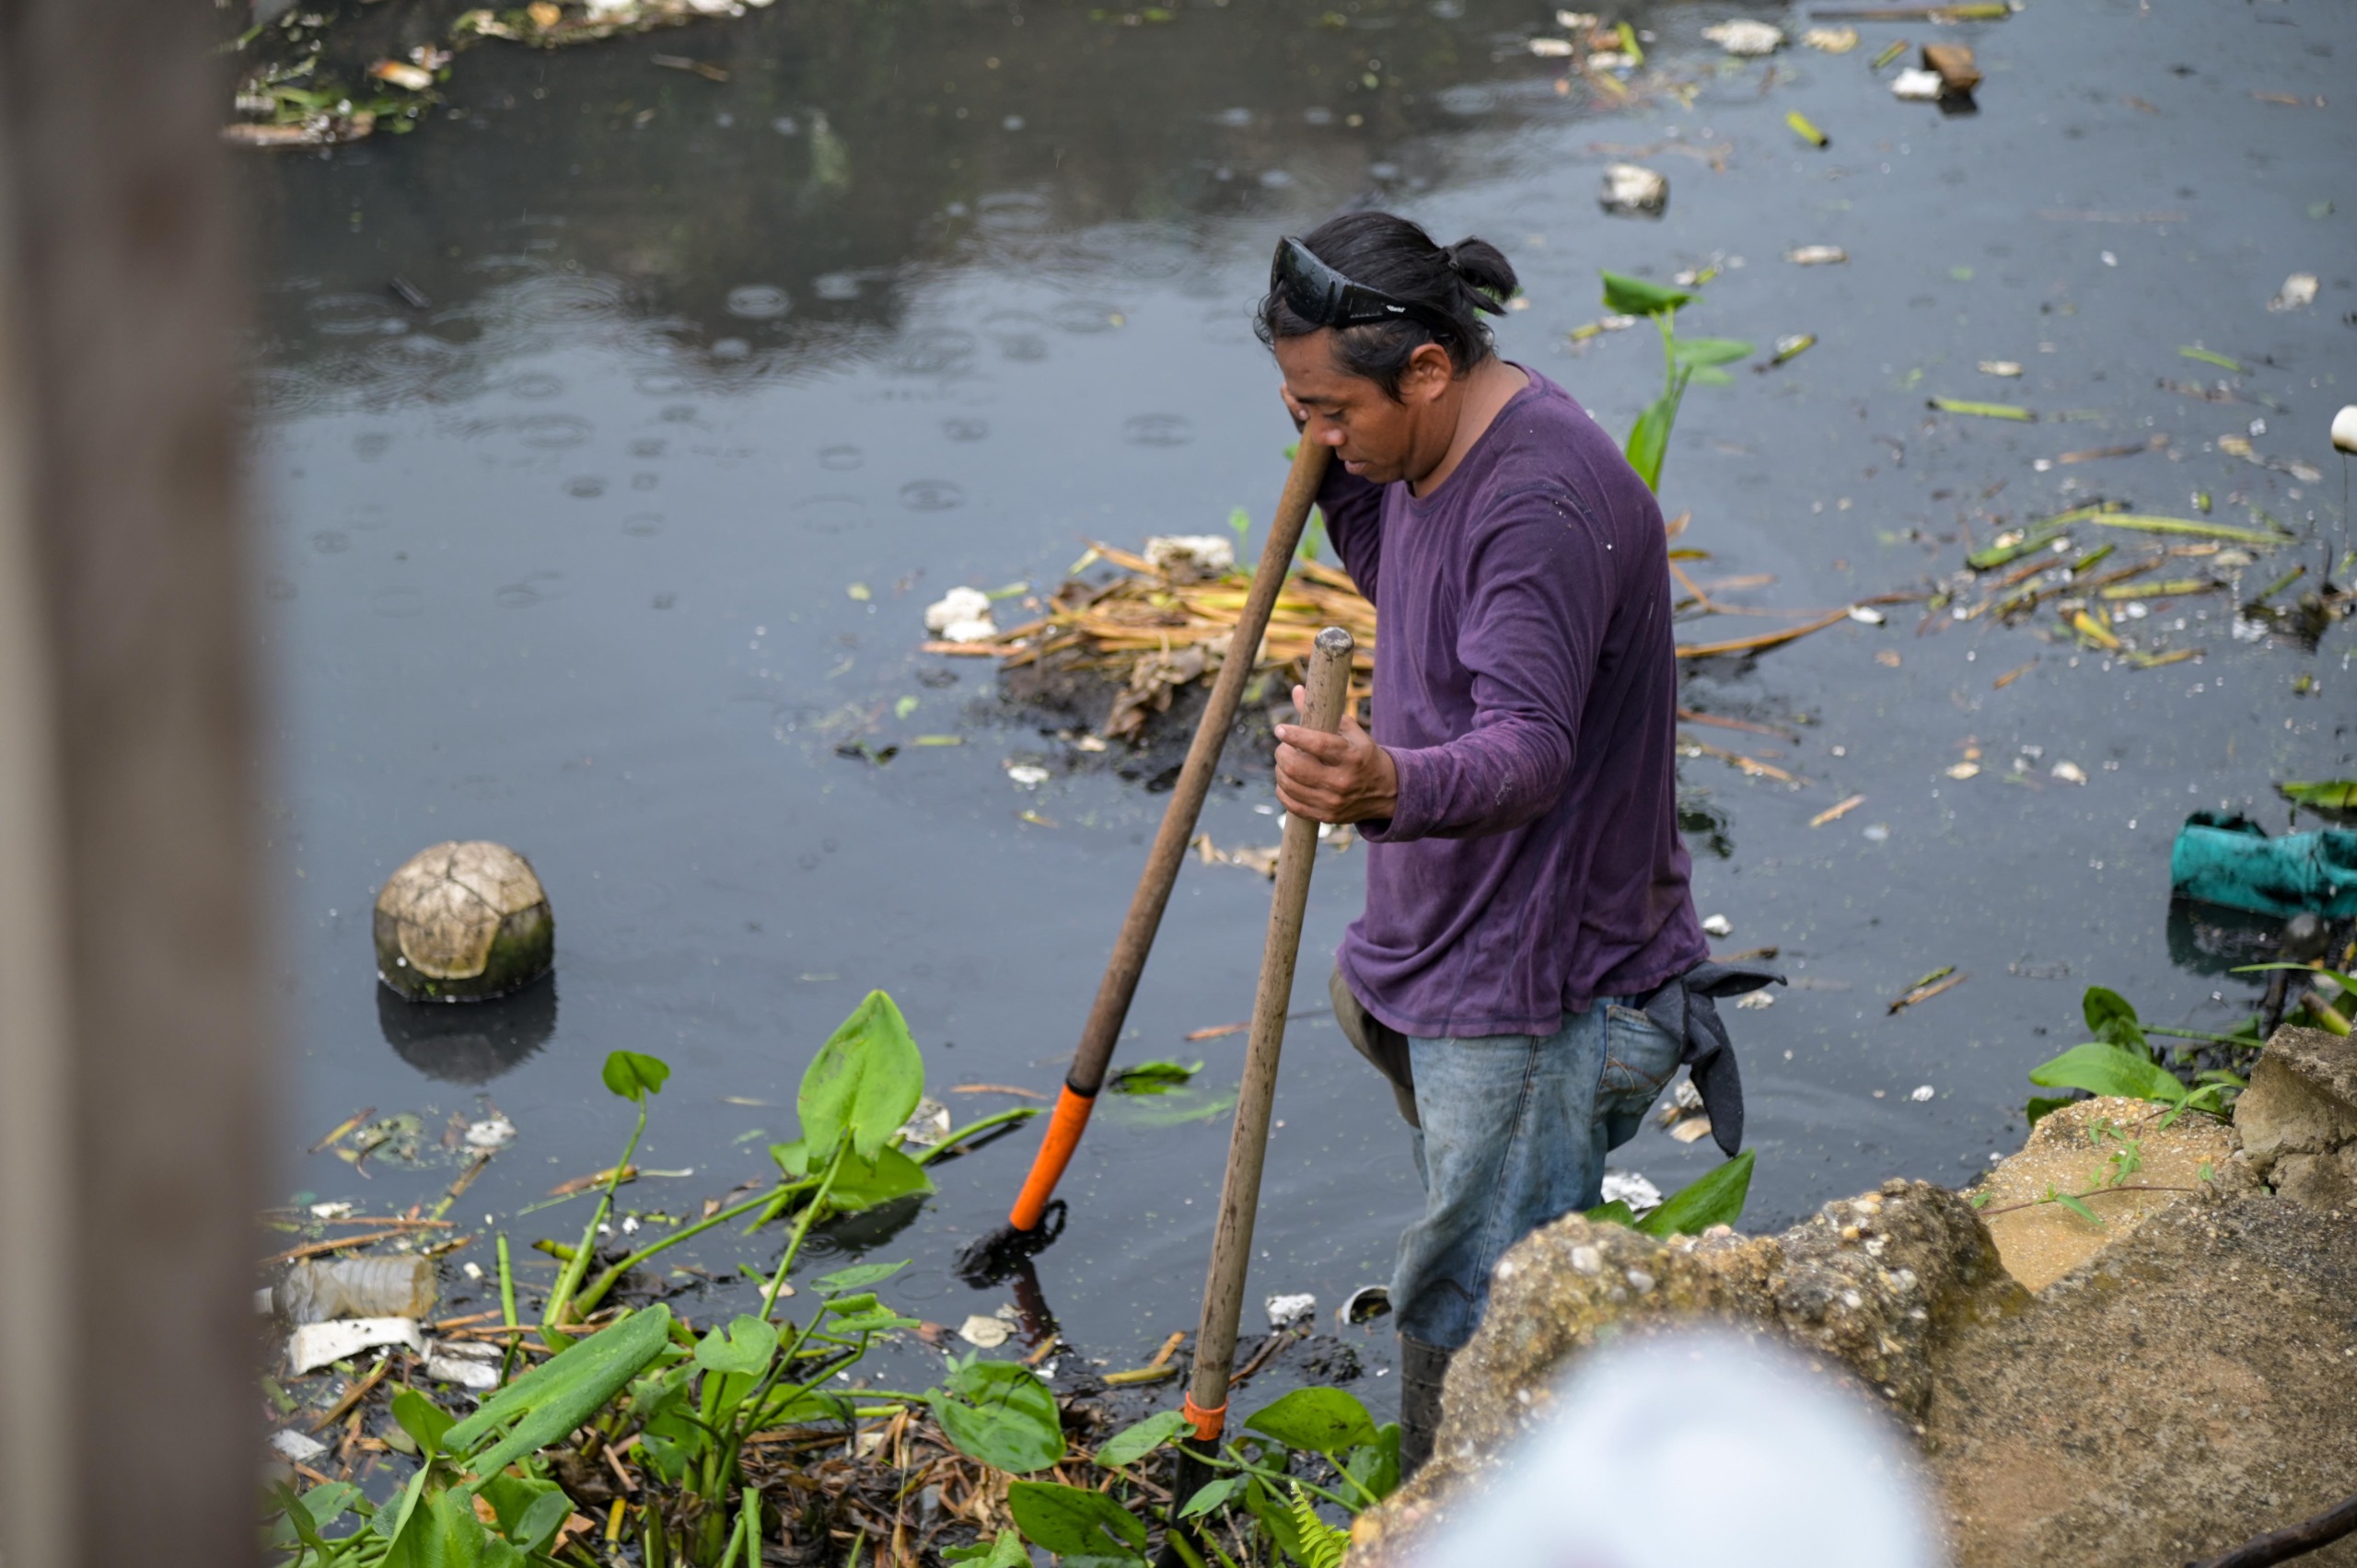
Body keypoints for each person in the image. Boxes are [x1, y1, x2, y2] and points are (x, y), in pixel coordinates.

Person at [1257, 212, 1775, 1474]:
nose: (1318, 433)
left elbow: (1531, 749)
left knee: (1481, 1296)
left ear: (1426, 368)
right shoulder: (1425, 453)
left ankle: (1472, 1507)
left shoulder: (1539, 498)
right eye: (1297, 409)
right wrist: (1332, 462)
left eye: (1333, 409)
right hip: (1440, 939)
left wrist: (1379, 779)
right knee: (1487, 1227)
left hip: (1547, 983)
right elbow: (1408, 567)